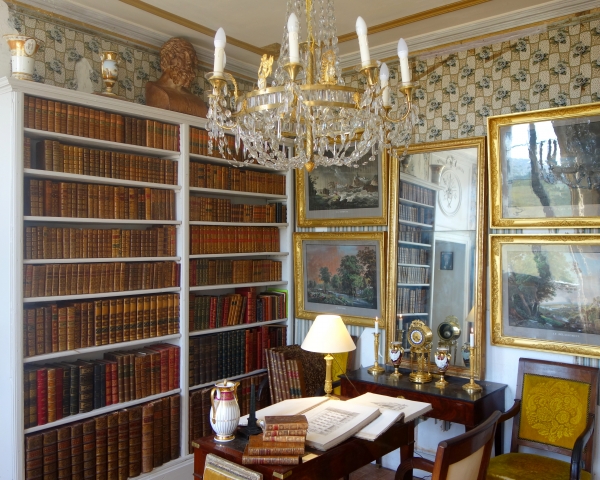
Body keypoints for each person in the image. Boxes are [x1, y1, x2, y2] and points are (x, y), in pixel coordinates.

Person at [145, 37, 208, 117]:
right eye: (182, 55)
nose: (188, 61)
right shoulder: (154, 89)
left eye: (191, 57)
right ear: (168, 58)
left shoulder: (198, 101)